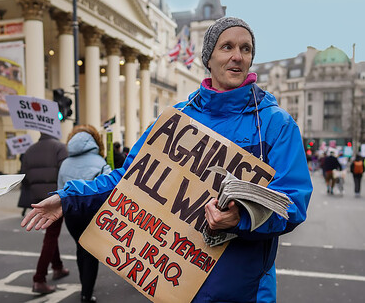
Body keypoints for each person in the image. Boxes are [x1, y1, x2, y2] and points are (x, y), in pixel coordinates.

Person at [22, 17, 312, 302]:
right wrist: (68, 198)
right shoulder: (177, 117)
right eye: (227, 47)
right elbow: (128, 179)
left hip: (246, 292)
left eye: (246, 49)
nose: (237, 56)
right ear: (208, 57)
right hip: (176, 286)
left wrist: (242, 218)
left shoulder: (276, 124)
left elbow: (292, 203)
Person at [58, 125, 111, 302]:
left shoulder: (65, 163)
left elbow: (60, 190)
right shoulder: (100, 162)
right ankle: (86, 294)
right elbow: (108, 190)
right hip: (92, 213)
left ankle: (84, 287)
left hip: (71, 213)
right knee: (91, 251)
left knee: (80, 248)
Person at [20, 133, 69, 294]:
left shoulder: (30, 150)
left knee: (50, 233)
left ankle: (57, 267)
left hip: (37, 196)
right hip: (54, 199)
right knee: (51, 236)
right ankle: (39, 279)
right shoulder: (60, 147)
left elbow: (24, 174)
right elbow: (65, 173)